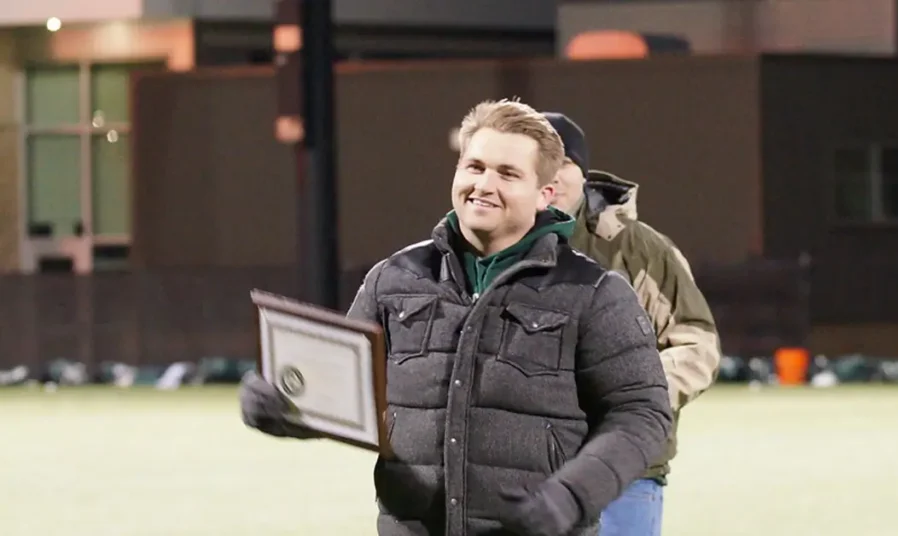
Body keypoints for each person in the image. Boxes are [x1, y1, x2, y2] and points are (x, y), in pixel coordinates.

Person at [240, 99, 673, 536]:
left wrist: (572, 495)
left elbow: (642, 413)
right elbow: (344, 397)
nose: (484, 184)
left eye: (507, 174)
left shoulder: (594, 292)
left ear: (545, 194)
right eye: (474, 167)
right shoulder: (394, 279)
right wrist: (283, 406)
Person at [543, 112, 722, 536]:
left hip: (623, 473)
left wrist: (629, 393)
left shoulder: (638, 248)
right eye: (541, 163)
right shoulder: (491, 249)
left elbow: (697, 345)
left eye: (563, 162)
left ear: (583, 172)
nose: (552, 175)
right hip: (523, 471)